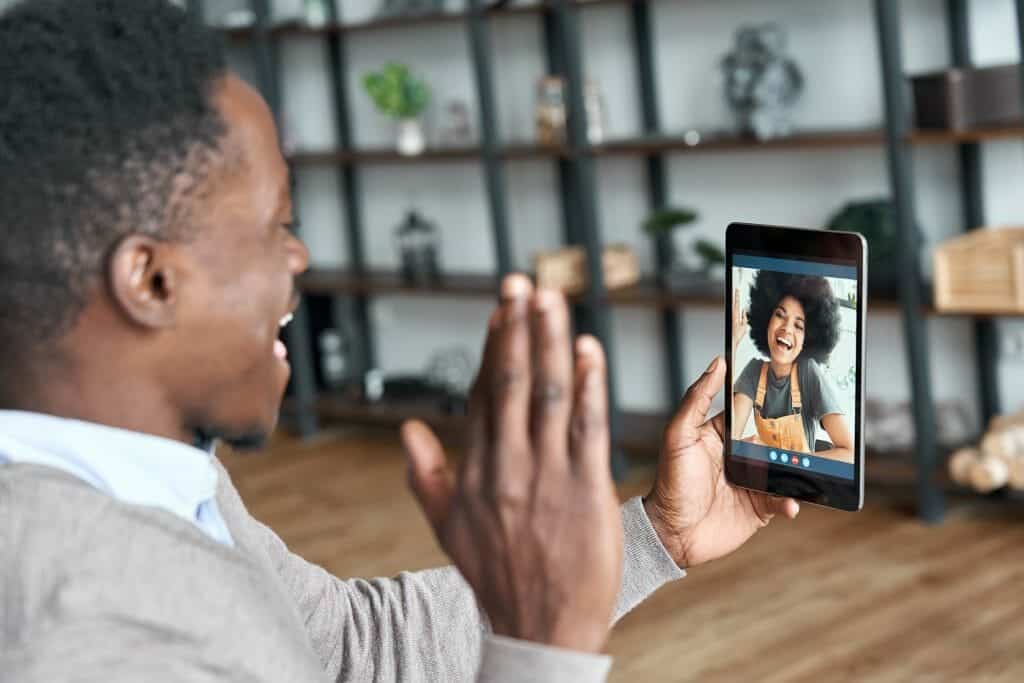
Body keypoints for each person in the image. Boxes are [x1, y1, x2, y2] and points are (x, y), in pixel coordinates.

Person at [0, 1, 799, 680]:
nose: (299, 259)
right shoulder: (73, 628)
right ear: (151, 281)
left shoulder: (159, 479)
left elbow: (349, 650)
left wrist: (653, 535)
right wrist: (547, 647)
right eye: (276, 226)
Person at [731, 271, 853, 463]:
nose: (787, 329)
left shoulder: (807, 372)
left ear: (809, 338)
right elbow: (731, 439)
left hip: (802, 485)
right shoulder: (753, 372)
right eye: (780, 315)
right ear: (767, 320)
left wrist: (793, 462)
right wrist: (732, 344)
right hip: (764, 481)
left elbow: (848, 453)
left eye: (799, 326)